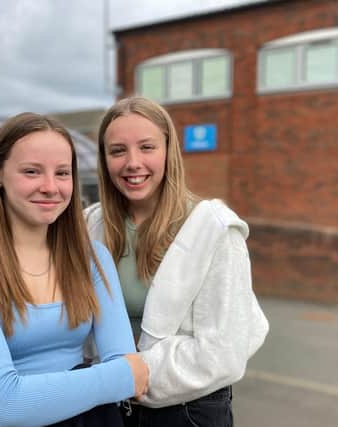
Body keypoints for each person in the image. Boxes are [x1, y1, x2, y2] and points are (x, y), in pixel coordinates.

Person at [0, 112, 148, 427]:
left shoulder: (92, 258)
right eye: (32, 171)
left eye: (62, 173)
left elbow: (129, 370)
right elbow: (7, 406)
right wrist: (115, 379)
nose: (50, 187)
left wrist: (16, 397)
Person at [84, 96, 269, 426]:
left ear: (169, 152)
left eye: (147, 147)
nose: (132, 162)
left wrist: (130, 376)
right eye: (118, 151)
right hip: (108, 407)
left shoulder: (214, 229)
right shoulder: (90, 225)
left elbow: (221, 353)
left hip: (187, 412)